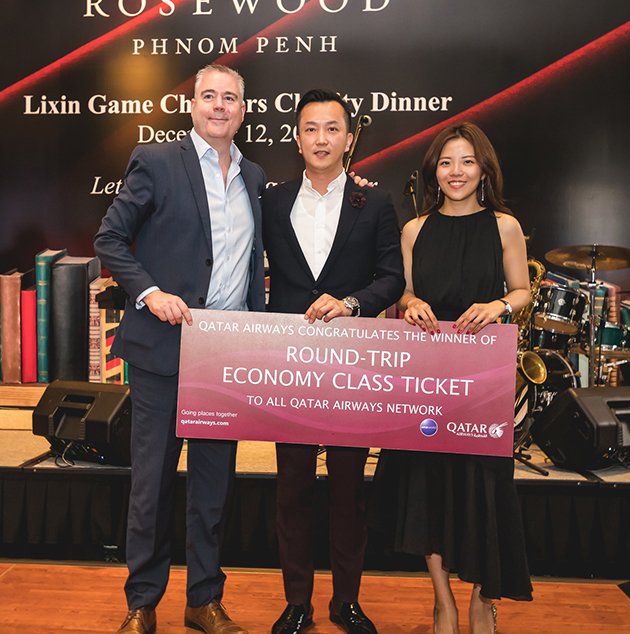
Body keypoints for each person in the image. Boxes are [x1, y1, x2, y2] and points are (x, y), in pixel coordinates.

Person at [94, 63, 264, 634]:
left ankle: (204, 601)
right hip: (163, 348)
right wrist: (149, 293)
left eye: (230, 98)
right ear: (193, 106)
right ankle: (142, 602)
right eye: (209, 96)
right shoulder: (157, 161)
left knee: (214, 486)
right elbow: (109, 238)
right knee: (153, 482)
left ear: (243, 111)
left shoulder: (254, 177)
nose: (219, 105)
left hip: (226, 354)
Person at [370, 123, 533, 634]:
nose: (455, 172)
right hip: (428, 379)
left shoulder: (504, 226)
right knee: (429, 490)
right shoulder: (414, 230)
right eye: (446, 162)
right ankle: (442, 602)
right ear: (433, 172)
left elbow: (523, 290)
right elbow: (403, 293)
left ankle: (484, 597)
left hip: (483, 379)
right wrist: (411, 303)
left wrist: (498, 305)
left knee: (485, 488)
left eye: (466, 161)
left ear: (483, 169)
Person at [263, 89, 405, 634]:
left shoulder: (376, 202)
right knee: (292, 490)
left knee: (349, 492)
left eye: (332, 128)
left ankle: (346, 601)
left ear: (349, 138)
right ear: (297, 139)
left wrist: (351, 303)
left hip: (352, 367)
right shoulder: (272, 202)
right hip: (289, 365)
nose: (321, 138)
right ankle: (296, 602)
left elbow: (391, 278)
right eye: (310, 128)